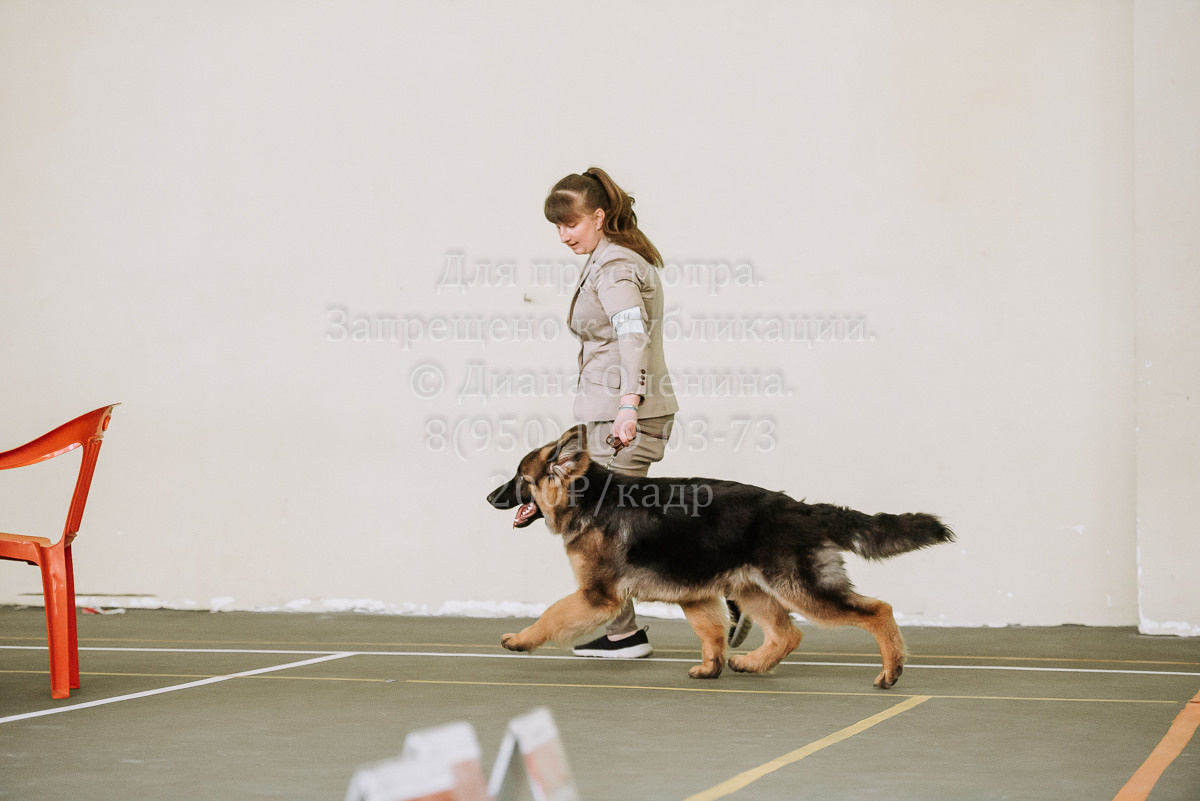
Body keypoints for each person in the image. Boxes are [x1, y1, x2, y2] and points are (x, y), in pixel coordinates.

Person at [543, 167, 750, 657]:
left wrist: (628, 406)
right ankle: (627, 630)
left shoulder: (616, 267)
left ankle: (728, 584)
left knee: (602, 525)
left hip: (624, 414)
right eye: (557, 227)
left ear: (598, 216)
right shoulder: (609, 260)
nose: (564, 235)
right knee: (612, 523)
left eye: (571, 223)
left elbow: (631, 338)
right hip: (608, 413)